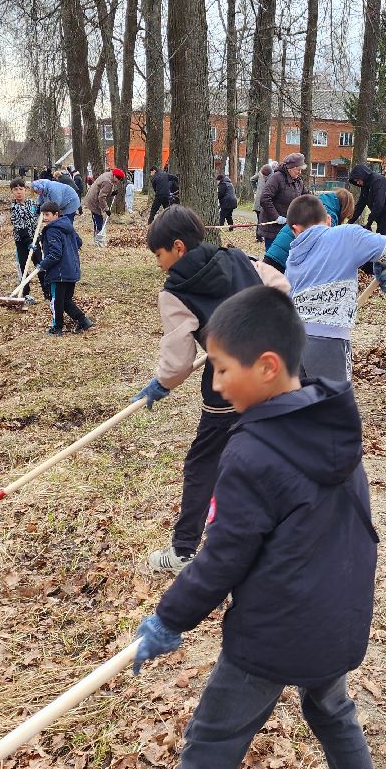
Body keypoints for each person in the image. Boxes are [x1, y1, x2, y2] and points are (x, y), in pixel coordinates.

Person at [114, 285, 386, 769]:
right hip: (339, 617)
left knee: (213, 738)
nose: (214, 385)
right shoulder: (332, 420)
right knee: (332, 711)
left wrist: (168, 619)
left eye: (220, 369)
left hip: (274, 633)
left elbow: (222, 558)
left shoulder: (251, 451)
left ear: (267, 366)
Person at [132, 205, 290, 573]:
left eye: (158, 255)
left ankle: (184, 548)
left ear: (177, 248)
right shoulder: (237, 258)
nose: (158, 264)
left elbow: (177, 360)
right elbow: (281, 287)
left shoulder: (175, 291)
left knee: (203, 465)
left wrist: (161, 384)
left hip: (230, 390)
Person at [283, 192, 386, 382]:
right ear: (328, 220)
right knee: (333, 406)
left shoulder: (292, 256)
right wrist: (382, 262)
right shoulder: (346, 234)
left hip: (292, 340)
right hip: (330, 341)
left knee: (303, 405)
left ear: (295, 229)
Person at [36, 200, 94, 336]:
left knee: (56, 301)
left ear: (56, 214)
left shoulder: (52, 230)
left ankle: (57, 328)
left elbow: (55, 254)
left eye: (47, 215)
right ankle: (83, 321)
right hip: (71, 270)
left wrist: (42, 265)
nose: (44, 218)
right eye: (43, 215)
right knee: (66, 300)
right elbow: (79, 242)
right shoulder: (67, 225)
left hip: (59, 273)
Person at [263, 188, 354, 272]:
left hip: (276, 250)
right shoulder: (329, 216)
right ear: (345, 209)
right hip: (285, 259)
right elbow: (326, 247)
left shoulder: (317, 203)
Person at [258, 153, 308, 246]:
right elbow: (265, 198)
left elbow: (306, 197)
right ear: (290, 168)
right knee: (273, 257)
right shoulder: (276, 178)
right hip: (273, 229)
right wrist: (276, 217)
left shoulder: (298, 181)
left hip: (288, 227)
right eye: (298, 170)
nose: (300, 172)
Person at [7, 177, 39, 304]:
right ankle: (25, 294)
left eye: (21, 189)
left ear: (25, 190)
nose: (19, 192)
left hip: (35, 240)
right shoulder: (14, 208)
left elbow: (41, 213)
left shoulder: (32, 204)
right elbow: (20, 228)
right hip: (22, 243)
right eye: (16, 190)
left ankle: (48, 291)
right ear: (12, 192)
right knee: (23, 267)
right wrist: (28, 242)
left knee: (40, 264)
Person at [348, 163, 386, 237]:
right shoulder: (365, 185)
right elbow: (360, 204)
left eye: (358, 180)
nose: (358, 183)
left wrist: (369, 222)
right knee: (379, 236)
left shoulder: (378, 181)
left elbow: (379, 203)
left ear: (363, 175)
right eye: (356, 181)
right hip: (379, 215)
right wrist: (350, 222)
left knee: (383, 238)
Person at [85, 167, 124, 245]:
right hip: (93, 201)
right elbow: (101, 197)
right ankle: (98, 241)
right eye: (118, 180)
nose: (118, 182)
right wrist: (106, 209)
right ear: (115, 176)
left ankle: (97, 239)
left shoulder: (107, 175)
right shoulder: (108, 182)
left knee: (98, 220)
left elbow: (102, 190)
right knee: (98, 221)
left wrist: (111, 193)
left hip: (93, 198)